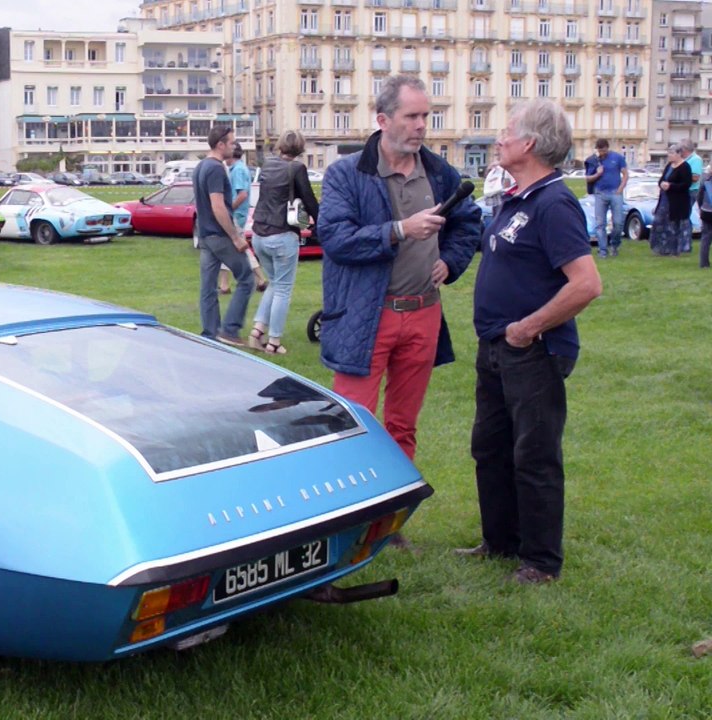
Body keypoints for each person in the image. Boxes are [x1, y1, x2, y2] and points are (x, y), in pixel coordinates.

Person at [460, 99, 602, 584]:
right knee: (490, 447)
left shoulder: (554, 203)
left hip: (532, 351)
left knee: (534, 454)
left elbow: (585, 283)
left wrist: (530, 327)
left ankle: (541, 562)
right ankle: (500, 542)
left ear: (531, 144)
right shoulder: (517, 198)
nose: (498, 138)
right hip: (496, 348)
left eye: (507, 131)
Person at [316, 74, 480, 466]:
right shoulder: (347, 174)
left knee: (403, 427)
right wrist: (400, 230)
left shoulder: (439, 173)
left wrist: (450, 261)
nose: (421, 125)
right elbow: (336, 239)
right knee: (352, 426)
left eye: (426, 115)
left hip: (423, 313)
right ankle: (350, 522)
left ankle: (389, 523)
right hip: (365, 315)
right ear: (383, 120)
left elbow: (469, 222)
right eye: (411, 116)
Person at [247, 131, 319, 356]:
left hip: (259, 234)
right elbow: (309, 200)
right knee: (283, 289)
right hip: (282, 234)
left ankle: (257, 331)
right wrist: (321, 222)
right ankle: (274, 341)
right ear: (300, 148)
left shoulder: (267, 166)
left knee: (275, 283)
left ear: (280, 146)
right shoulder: (297, 169)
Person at [194, 125, 255, 345]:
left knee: (208, 287)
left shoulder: (201, 166)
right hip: (219, 236)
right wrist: (235, 237)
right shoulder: (215, 169)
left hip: (206, 236)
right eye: (231, 142)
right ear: (220, 145)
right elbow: (217, 206)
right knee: (247, 279)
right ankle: (229, 330)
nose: (234, 146)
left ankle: (210, 336)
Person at [218, 142, 268, 295]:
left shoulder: (238, 170)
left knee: (229, 247)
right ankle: (258, 280)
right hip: (237, 214)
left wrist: (228, 210)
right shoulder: (237, 169)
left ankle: (227, 285)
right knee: (235, 247)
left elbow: (242, 194)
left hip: (235, 215)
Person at [586, 139, 628, 258]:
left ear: (607, 148)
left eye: (603, 150)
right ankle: (602, 250)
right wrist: (597, 174)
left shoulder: (617, 158)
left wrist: (621, 188)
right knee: (600, 224)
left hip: (615, 193)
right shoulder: (594, 161)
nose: (602, 152)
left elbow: (625, 174)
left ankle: (614, 245)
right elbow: (588, 178)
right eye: (599, 150)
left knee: (618, 223)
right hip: (600, 193)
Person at [650, 144, 693, 257]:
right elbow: (662, 179)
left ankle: (675, 250)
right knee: (659, 222)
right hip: (664, 198)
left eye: (672, 153)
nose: (670, 155)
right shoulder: (669, 165)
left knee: (674, 225)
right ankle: (661, 248)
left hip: (677, 201)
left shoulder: (685, 167)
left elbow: (686, 184)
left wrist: (671, 186)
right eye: (669, 153)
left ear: (679, 154)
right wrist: (662, 184)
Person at [679, 139, 701, 255]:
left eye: (680, 150)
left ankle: (686, 244)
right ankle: (682, 242)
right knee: (682, 217)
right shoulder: (685, 160)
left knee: (685, 217)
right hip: (683, 191)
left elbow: (696, 177)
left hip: (690, 191)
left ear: (685, 150)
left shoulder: (696, 160)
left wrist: (680, 176)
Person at [698, 164, 712, 269]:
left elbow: (699, 196)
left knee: (705, 238)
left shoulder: (705, 180)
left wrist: (701, 207)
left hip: (706, 211)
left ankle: (704, 263)